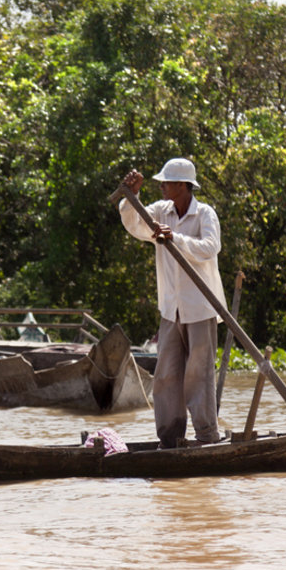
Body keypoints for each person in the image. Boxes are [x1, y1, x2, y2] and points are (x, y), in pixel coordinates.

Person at [117, 158, 227, 448]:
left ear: (182, 186)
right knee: (166, 375)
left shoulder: (204, 214)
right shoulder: (159, 212)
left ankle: (206, 437)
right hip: (171, 309)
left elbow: (210, 248)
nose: (162, 186)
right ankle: (170, 439)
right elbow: (135, 225)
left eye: (166, 182)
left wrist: (175, 238)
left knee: (199, 376)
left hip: (200, 307)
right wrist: (132, 197)